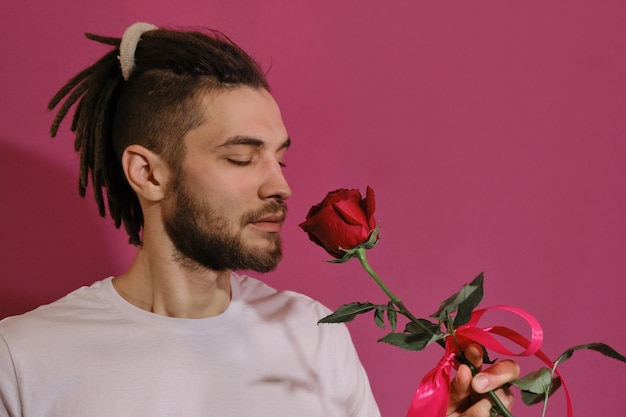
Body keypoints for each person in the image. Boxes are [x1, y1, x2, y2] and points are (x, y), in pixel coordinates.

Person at [0, 23, 518, 417]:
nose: (281, 186)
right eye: (242, 158)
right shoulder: (24, 360)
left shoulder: (314, 335)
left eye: (280, 158)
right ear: (148, 174)